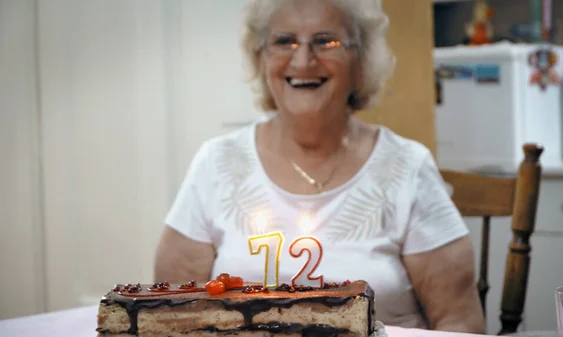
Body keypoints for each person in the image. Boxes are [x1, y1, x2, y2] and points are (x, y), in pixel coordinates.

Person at [154, 0, 485, 333]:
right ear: (261, 57)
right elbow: (172, 316)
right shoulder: (217, 163)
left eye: (326, 41)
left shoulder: (408, 167)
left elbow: (458, 323)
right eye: (285, 41)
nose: (303, 60)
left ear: (361, 60)